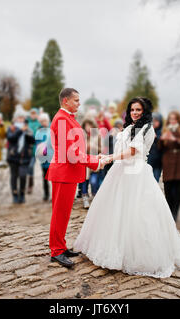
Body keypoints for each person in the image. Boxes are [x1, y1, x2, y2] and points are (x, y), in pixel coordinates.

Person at [74, 97, 180, 278]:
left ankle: (136, 254)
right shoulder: (129, 127)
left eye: (138, 110)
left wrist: (108, 158)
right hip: (120, 172)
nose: (135, 113)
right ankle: (111, 249)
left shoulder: (147, 129)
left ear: (144, 111)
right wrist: (107, 155)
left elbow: (132, 152)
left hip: (136, 174)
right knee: (114, 211)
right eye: (132, 110)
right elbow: (121, 148)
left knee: (138, 214)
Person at [45, 88, 106, 268]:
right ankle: (56, 251)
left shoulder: (68, 117)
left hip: (68, 173)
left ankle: (61, 246)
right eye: (76, 100)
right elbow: (72, 153)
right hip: (64, 172)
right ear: (65, 101)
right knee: (59, 213)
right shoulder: (62, 119)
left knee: (64, 213)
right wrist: (93, 162)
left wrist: (93, 158)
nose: (79, 103)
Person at [159, 111, 180, 221]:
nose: (172, 121)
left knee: (178, 190)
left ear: (178, 120)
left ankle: (175, 212)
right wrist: (162, 139)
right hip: (168, 161)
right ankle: (168, 212)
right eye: (170, 119)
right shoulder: (165, 129)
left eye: (174, 119)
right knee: (168, 189)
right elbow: (160, 148)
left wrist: (175, 139)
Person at [7, 110, 35, 204]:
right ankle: (15, 194)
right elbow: (11, 138)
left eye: (22, 118)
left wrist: (28, 133)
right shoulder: (11, 128)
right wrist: (20, 131)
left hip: (25, 156)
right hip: (13, 156)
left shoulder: (27, 128)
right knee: (14, 176)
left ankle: (22, 193)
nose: (21, 119)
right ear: (15, 119)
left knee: (23, 176)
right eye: (19, 117)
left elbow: (32, 141)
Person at [80, 115, 103, 209]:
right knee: (84, 182)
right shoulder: (81, 135)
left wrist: (94, 148)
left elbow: (102, 149)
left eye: (89, 125)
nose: (88, 127)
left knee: (94, 182)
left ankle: (94, 196)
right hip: (84, 163)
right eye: (86, 125)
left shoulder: (97, 135)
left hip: (94, 162)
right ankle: (85, 198)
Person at [36, 113, 54, 202]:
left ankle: (53, 195)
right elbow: (37, 144)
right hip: (43, 158)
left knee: (53, 178)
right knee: (45, 177)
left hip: (52, 157)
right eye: (42, 121)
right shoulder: (39, 131)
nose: (44, 123)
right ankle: (46, 194)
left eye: (45, 121)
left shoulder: (52, 129)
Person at [27, 108, 42, 195]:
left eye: (34, 114)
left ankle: (46, 186)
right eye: (31, 114)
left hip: (38, 149)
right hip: (29, 149)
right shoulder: (27, 123)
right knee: (30, 166)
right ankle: (30, 184)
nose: (33, 115)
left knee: (44, 167)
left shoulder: (39, 124)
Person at [147, 112, 164, 182]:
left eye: (156, 121)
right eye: (152, 121)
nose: (153, 123)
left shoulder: (161, 132)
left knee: (155, 180)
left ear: (160, 122)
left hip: (158, 163)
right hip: (148, 161)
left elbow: (163, 145)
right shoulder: (147, 131)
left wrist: (156, 139)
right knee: (147, 180)